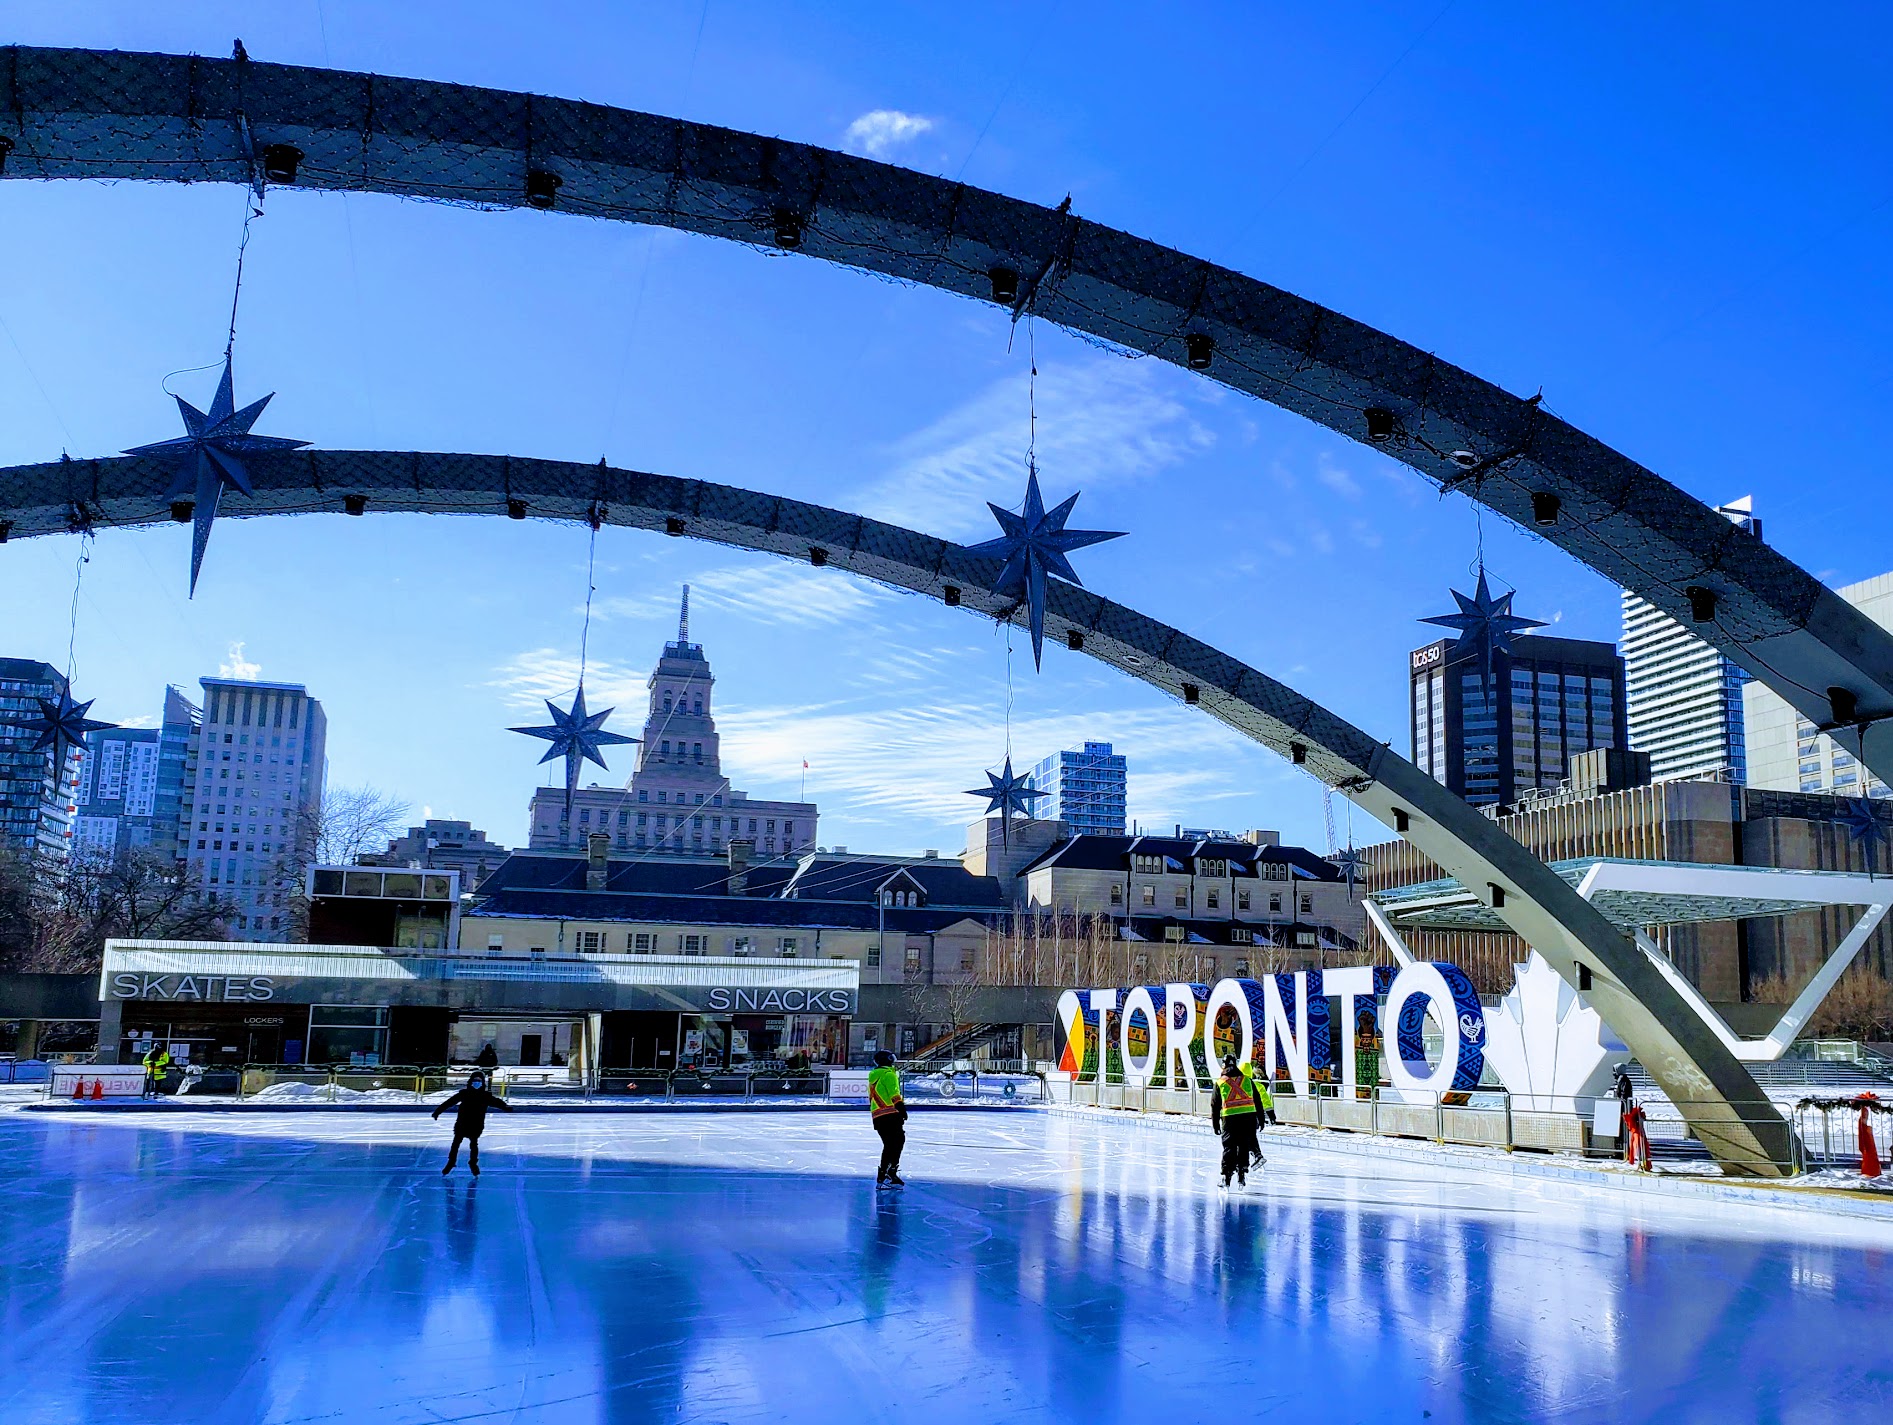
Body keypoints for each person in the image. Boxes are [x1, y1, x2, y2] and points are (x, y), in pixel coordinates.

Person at [1209, 1053, 1274, 1188]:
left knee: (1229, 1147)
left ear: (1223, 1066)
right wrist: (1261, 1119)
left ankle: (1226, 1178)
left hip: (1230, 1119)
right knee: (1244, 1145)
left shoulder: (1220, 1083)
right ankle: (1241, 1176)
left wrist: (1215, 1124)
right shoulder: (1247, 1080)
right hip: (1248, 1118)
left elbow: (1215, 1106)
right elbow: (1258, 1101)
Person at [432, 1070, 513, 1176]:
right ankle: (451, 1162)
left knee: (473, 1144)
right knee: (456, 1144)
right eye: (475, 1080)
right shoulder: (464, 1094)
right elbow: (449, 1102)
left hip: (476, 1125)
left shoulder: (485, 1096)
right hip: (462, 1123)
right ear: (470, 1081)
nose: (477, 1082)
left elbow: (496, 1102)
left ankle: (473, 1163)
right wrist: (438, 1111)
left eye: (479, 1081)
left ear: (483, 1082)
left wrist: (505, 1107)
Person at [868, 1049, 907, 1187]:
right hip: (890, 1114)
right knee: (896, 1143)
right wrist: (902, 1109)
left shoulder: (874, 1075)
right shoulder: (889, 1075)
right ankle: (888, 1173)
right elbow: (894, 1094)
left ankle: (885, 1173)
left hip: (877, 1116)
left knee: (890, 1144)